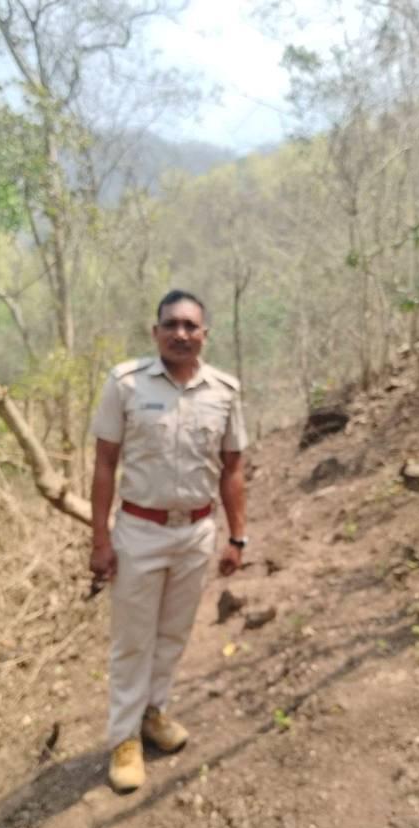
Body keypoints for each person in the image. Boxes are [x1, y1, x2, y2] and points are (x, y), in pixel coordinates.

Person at [89, 290, 248, 792]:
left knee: (173, 634)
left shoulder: (224, 391)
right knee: (133, 639)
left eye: (190, 326)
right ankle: (124, 738)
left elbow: (232, 468)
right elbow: (104, 464)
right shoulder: (126, 383)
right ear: (155, 331)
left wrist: (237, 537)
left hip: (196, 533)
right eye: (172, 325)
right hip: (139, 532)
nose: (181, 334)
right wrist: (100, 540)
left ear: (205, 334)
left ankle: (153, 714)